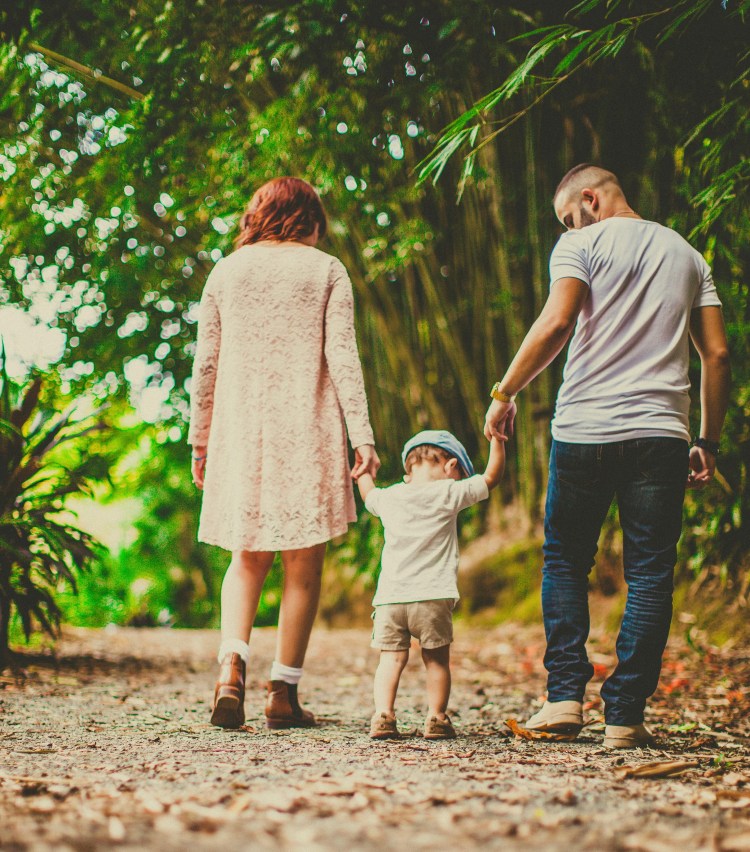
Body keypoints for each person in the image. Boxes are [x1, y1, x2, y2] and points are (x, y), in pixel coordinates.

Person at [484, 164, 730, 748]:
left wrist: (504, 393)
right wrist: (708, 441)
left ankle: (564, 700)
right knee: (650, 573)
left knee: (566, 562)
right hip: (661, 435)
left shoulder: (581, 243)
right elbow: (716, 356)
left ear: (590, 199)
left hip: (585, 430)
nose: (570, 224)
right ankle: (624, 717)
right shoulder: (689, 255)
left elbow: (558, 321)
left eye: (570, 214)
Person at [189, 177, 379, 730]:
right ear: (310, 219)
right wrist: (362, 437)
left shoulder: (226, 270)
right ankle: (282, 694)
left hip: (241, 431)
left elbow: (206, 364)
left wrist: (200, 438)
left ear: (258, 215)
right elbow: (344, 357)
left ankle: (230, 670)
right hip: (308, 428)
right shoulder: (325, 270)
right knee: (304, 565)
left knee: (246, 556)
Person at [356, 430, 505, 740]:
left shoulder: (391, 496)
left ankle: (383, 714)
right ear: (450, 467)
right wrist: (498, 440)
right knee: (436, 660)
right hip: (433, 596)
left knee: (390, 659)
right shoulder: (448, 492)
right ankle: (436, 717)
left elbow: (368, 493)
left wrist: (364, 470)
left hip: (390, 599)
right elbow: (491, 476)